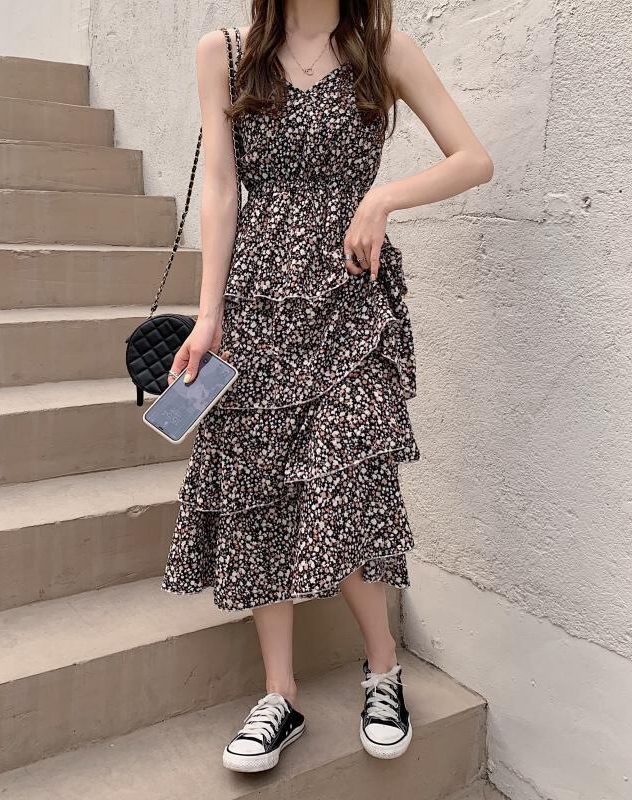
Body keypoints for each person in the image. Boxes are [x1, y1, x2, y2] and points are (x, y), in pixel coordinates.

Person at [161, 0, 493, 774]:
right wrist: (208, 316)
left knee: (344, 483)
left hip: (348, 307)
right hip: (255, 305)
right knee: (256, 490)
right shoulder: (226, 53)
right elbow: (220, 187)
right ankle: (280, 694)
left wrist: (382, 197)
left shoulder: (384, 48)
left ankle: (383, 667)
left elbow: (472, 159)